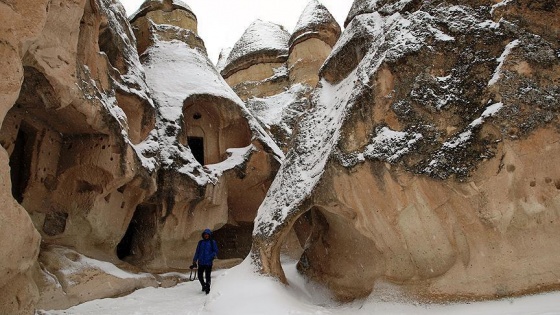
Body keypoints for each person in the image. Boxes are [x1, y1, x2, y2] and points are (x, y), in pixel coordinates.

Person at [191, 228, 218, 294]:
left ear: (209, 235)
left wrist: (210, 257)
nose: (206, 236)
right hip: (201, 262)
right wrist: (194, 260)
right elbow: (197, 252)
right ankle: (204, 285)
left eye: (207, 234)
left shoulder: (212, 242)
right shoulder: (200, 243)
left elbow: (215, 251)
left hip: (208, 262)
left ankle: (207, 288)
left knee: (207, 276)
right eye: (205, 234)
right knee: (199, 276)